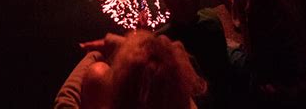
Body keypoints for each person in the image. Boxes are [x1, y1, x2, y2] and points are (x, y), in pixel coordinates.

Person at [54, 30, 206, 108]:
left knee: (97, 72)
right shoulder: (178, 98)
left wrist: (96, 53)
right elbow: (173, 85)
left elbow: (66, 99)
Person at [157, 0, 229, 107]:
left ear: (166, 2)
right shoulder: (212, 20)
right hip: (221, 96)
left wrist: (142, 34)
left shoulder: (162, 40)